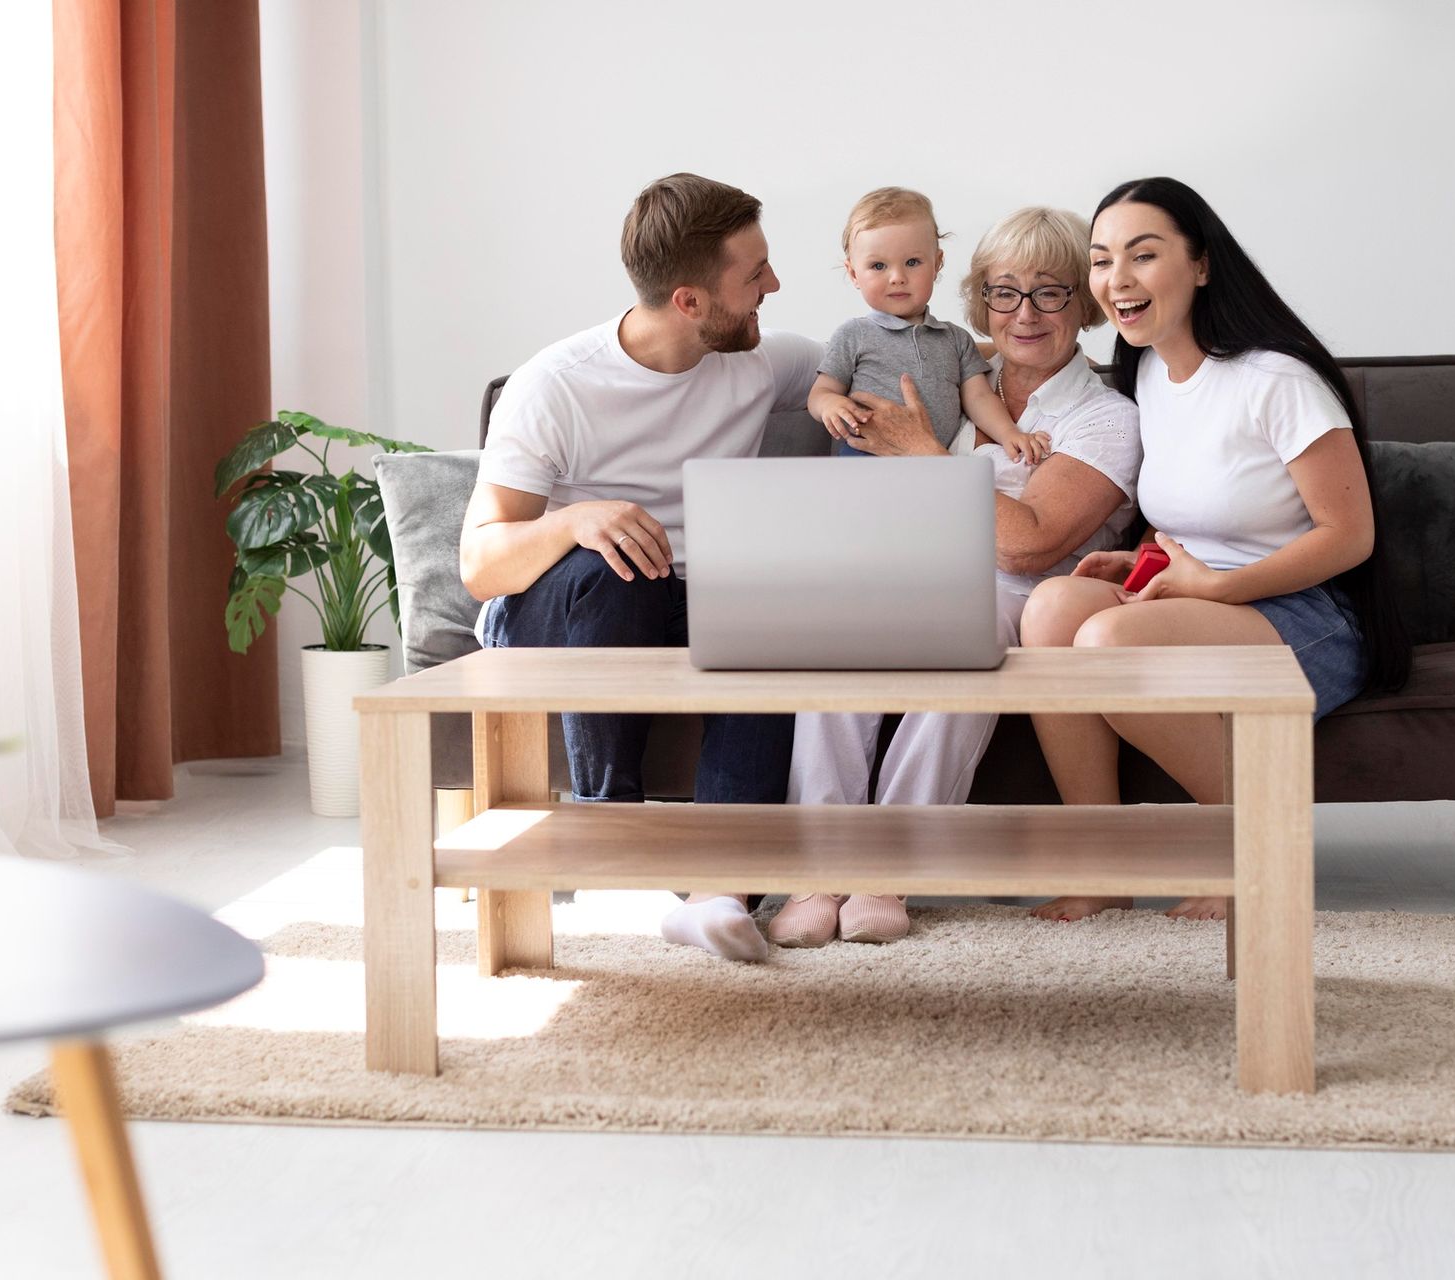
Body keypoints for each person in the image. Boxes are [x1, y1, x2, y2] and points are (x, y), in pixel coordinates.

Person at [1018, 176, 1409, 923]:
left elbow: (1349, 536)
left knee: (1105, 641)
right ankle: (1102, 863)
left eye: (1142, 255)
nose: (1116, 280)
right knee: (1052, 608)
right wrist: (1142, 569)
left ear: (1201, 264)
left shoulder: (1276, 380)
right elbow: (1199, 527)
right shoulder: (1149, 374)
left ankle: (1250, 850)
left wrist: (1215, 590)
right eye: (1100, 260)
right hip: (1195, 597)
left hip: (1303, 617)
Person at [459, 173, 822, 964]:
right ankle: (611, 858)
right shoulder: (555, 385)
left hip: (701, 599)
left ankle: (720, 892)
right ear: (689, 300)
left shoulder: (759, 362)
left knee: (763, 610)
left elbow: (871, 357)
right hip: (570, 605)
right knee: (621, 568)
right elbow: (481, 567)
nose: (775, 285)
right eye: (754, 274)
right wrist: (573, 519)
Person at [770, 206, 1143, 947]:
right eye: (1005, 292)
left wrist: (923, 457)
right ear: (980, 299)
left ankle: (887, 873)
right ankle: (820, 871)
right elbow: (834, 376)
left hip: (1021, 597)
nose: (1025, 314)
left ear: (1087, 301)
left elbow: (1028, 547)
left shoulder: (1106, 418)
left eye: (1051, 292)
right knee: (833, 642)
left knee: (966, 651)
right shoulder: (949, 371)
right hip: (912, 570)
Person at [810, 187, 1050, 465]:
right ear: (853, 273)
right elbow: (821, 391)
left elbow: (979, 396)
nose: (897, 277)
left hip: (935, 457)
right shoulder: (854, 334)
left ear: (937, 264)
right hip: (866, 455)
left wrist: (1009, 433)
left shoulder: (955, 339)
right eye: (878, 266)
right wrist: (829, 404)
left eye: (912, 262)